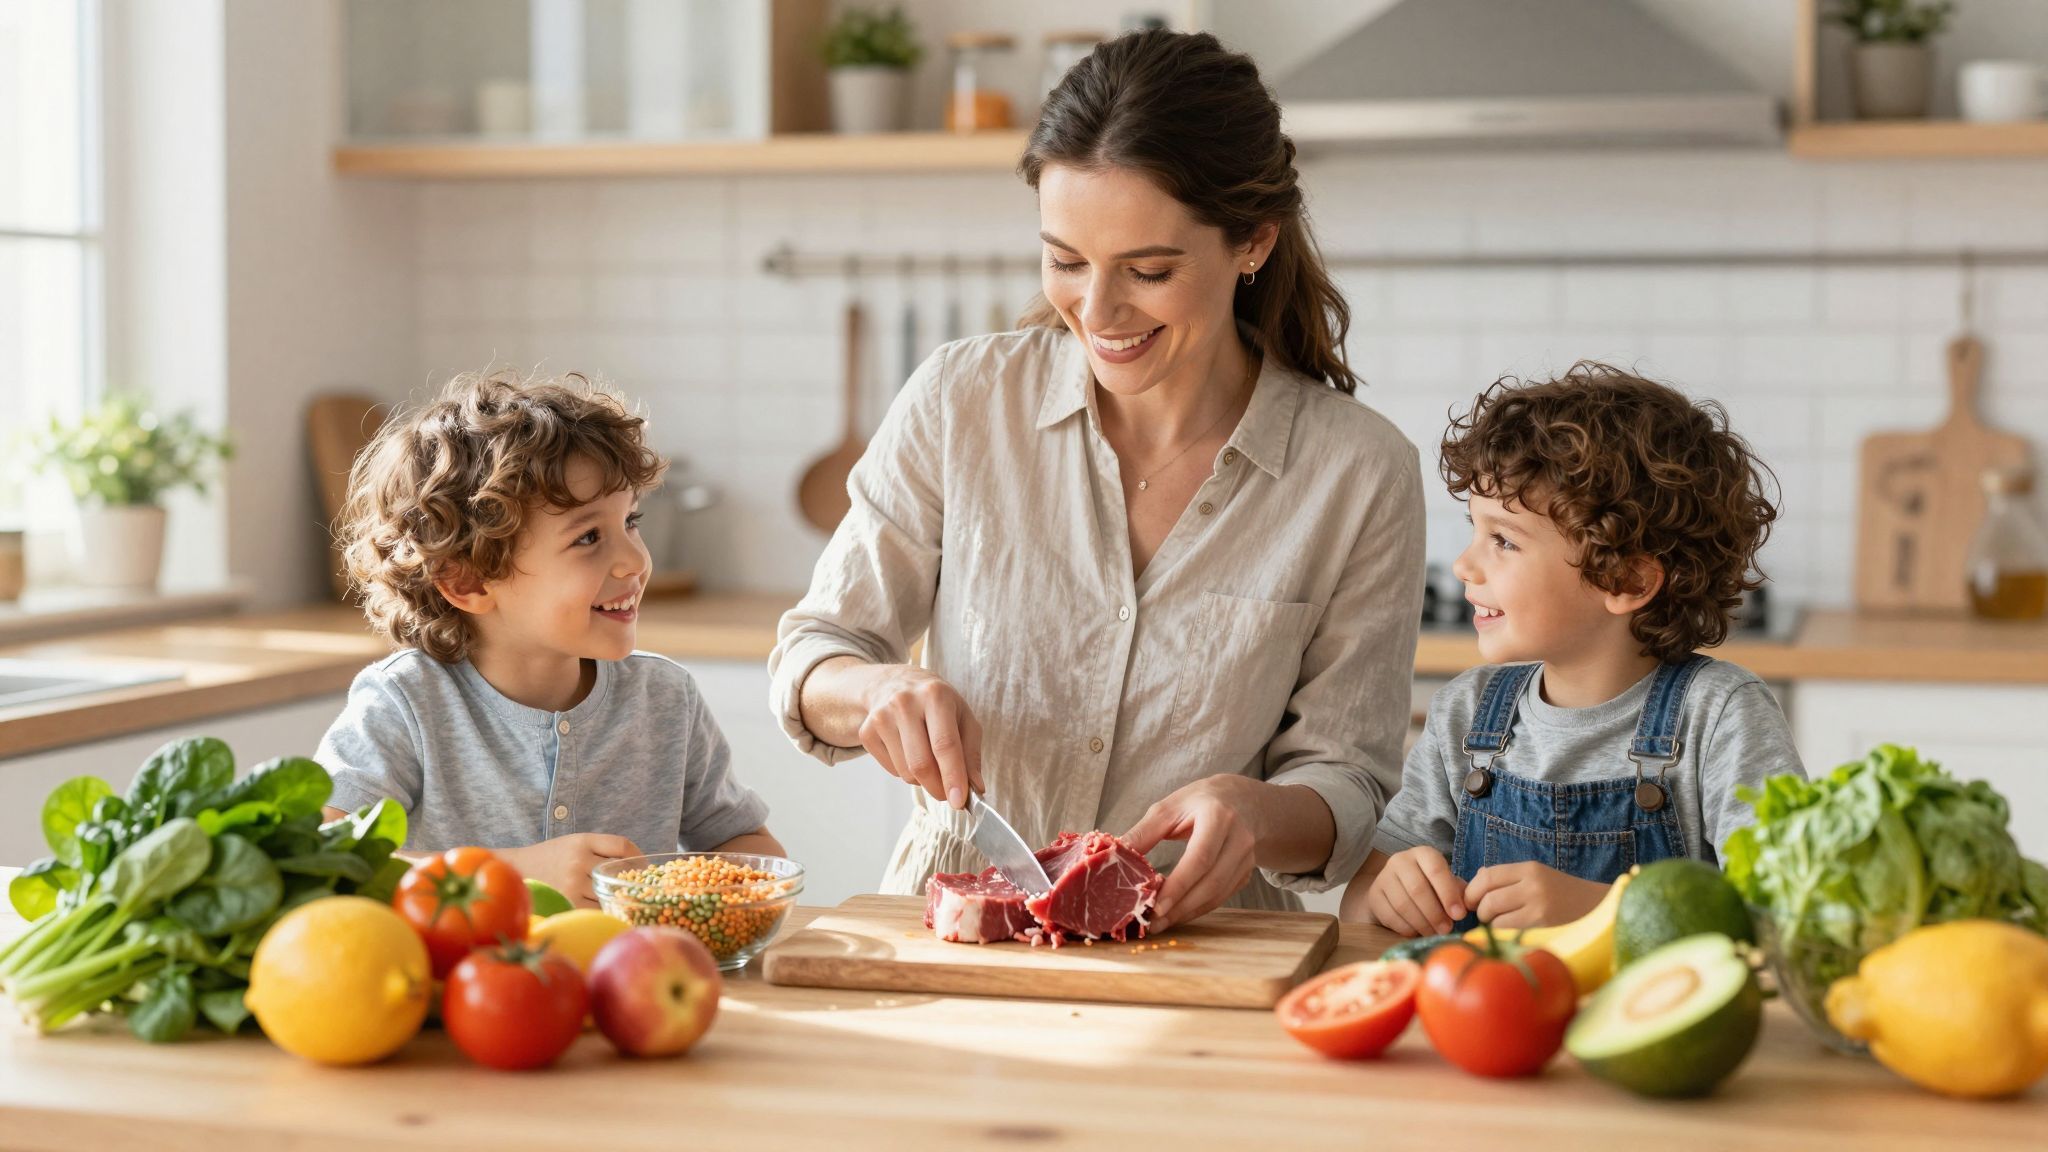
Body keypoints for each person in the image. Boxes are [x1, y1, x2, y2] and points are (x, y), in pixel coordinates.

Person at [769, 30, 1424, 929]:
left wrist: (1256, 811)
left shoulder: (1357, 473)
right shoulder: (963, 400)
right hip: (964, 933)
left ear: (1254, 243)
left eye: (1148, 271)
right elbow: (815, 650)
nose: (1099, 312)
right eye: (1066, 261)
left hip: (1206, 947)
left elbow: (1346, 779)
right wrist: (874, 690)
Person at [1340, 363, 1803, 934]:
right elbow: (1361, 904)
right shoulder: (1464, 713)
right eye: (1474, 530)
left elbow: (1784, 917)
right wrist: (1390, 892)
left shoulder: (1721, 716)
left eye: (1504, 541)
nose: (1464, 565)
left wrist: (1607, 913)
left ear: (1626, 581)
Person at [316, 369, 782, 908]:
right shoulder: (405, 704)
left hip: (630, 984)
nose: (635, 560)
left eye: (631, 521)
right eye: (588, 537)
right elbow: (332, 859)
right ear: (468, 580)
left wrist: (753, 893)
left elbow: (738, 842)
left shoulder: (663, 698)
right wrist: (511, 872)